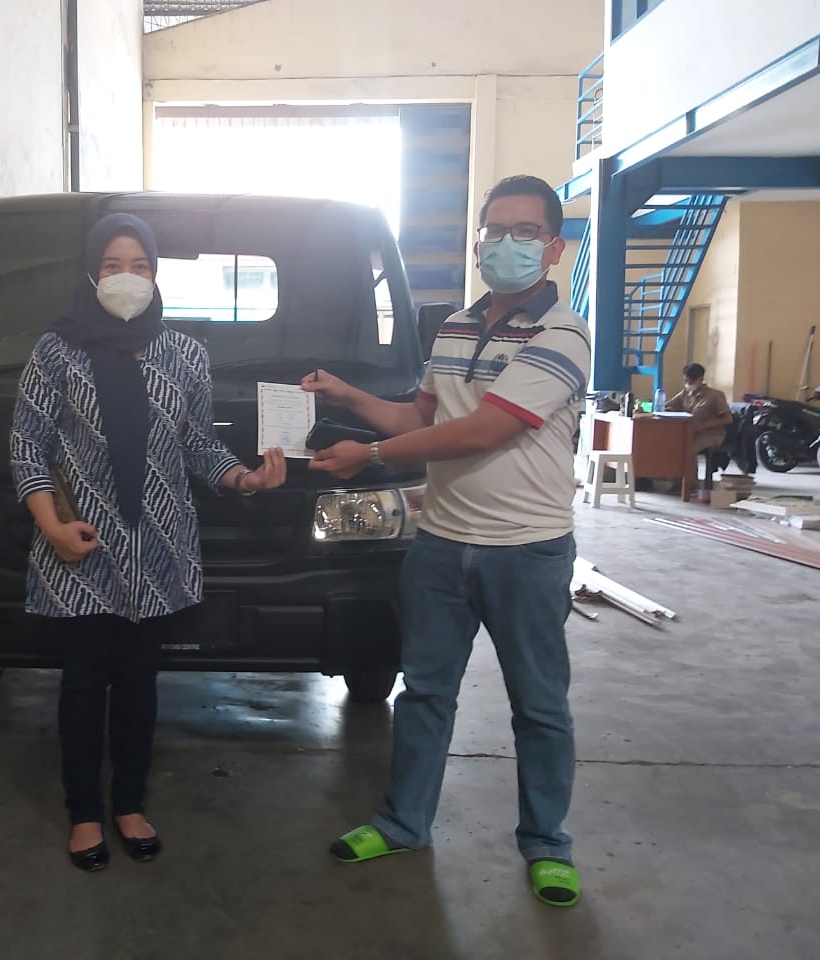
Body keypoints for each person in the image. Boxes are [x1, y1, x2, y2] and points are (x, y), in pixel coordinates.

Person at [302, 175, 590, 908]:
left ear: (554, 247)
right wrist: (348, 397)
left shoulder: (564, 334)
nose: (507, 243)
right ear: (478, 239)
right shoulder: (456, 327)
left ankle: (547, 843)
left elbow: (483, 430)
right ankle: (404, 823)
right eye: (495, 230)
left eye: (526, 232)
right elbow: (419, 418)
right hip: (439, 545)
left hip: (526, 550)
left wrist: (368, 456)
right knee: (426, 693)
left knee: (539, 705)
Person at [9, 213, 286, 873]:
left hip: (157, 549)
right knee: (84, 684)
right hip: (81, 545)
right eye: (112, 265)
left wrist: (245, 478)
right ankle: (84, 813)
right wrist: (51, 526)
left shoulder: (184, 353)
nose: (126, 277)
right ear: (91, 272)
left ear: (156, 273)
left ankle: (129, 804)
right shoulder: (57, 350)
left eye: (139, 265)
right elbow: (26, 443)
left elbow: (198, 445)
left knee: (138, 682)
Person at [666, 362, 733, 486]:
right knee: (671, 444)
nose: (688, 384)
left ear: (700, 379)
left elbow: (728, 419)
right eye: (686, 381)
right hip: (690, 431)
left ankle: (689, 485)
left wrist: (704, 425)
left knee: (687, 448)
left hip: (711, 434)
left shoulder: (715, 395)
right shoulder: (686, 393)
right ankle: (675, 479)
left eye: (691, 382)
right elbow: (667, 405)